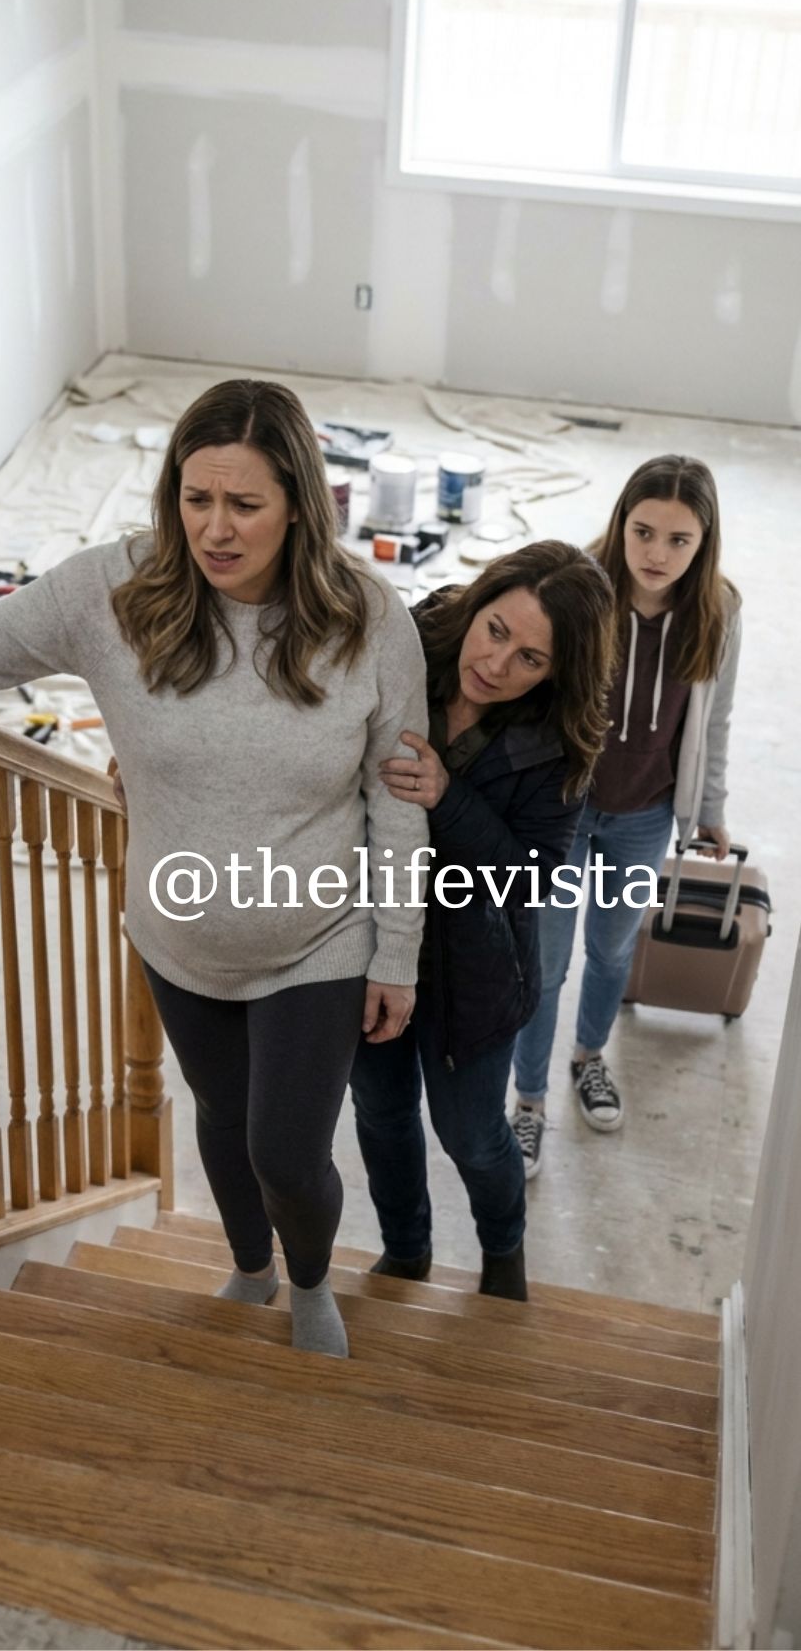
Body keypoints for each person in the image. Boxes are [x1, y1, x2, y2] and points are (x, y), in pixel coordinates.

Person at [0, 379, 428, 1359]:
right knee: (220, 1118)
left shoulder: (372, 620)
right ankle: (251, 1267)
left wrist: (397, 953)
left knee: (287, 1153)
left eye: (245, 504)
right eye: (195, 497)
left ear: (301, 505)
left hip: (319, 936)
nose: (215, 528)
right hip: (177, 938)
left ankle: (308, 1282)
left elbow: (398, 798)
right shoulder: (114, 591)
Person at [349, 541, 615, 1301]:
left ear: (557, 672)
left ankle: (503, 1255)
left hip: (477, 972)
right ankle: (406, 1252)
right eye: (495, 630)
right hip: (371, 941)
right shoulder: (412, 634)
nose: (496, 665)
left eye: (530, 659)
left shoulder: (563, 740)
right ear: (478, 601)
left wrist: (449, 799)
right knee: (381, 1112)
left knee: (469, 1134)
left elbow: (532, 880)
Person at [511, 455, 742, 1175]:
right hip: (563, 812)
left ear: (703, 543)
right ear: (620, 523)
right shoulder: (580, 587)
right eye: (643, 531)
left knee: (612, 952)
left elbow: (715, 719)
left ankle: (589, 1058)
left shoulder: (718, 610)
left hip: (645, 815)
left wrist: (708, 809)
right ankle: (528, 1100)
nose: (657, 554)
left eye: (679, 540)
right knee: (544, 964)